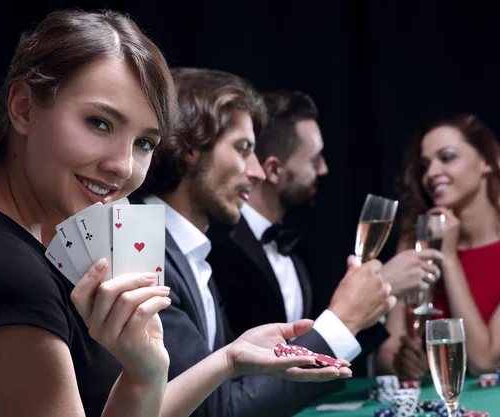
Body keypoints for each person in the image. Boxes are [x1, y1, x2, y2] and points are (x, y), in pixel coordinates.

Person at [0, 10, 351, 417]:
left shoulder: (23, 243)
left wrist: (226, 361)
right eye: (100, 123)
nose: (124, 167)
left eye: (145, 143)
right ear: (23, 107)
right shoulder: (1, 268)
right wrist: (144, 375)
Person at [134, 68, 394, 417]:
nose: (256, 172)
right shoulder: (141, 250)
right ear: (191, 146)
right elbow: (216, 410)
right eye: (243, 149)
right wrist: (342, 321)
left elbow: (232, 388)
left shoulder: (188, 251)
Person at [206, 90, 442, 376]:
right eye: (314, 159)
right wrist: (383, 282)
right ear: (274, 170)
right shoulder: (216, 249)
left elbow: (319, 341)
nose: (324, 169)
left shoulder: (295, 248)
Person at [378, 112, 500, 378]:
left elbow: (484, 360)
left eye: (447, 157)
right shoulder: (415, 241)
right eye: (425, 165)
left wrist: (450, 260)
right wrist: (400, 362)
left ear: (486, 162)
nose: (431, 174)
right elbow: (390, 343)